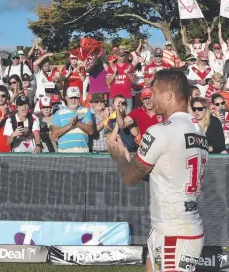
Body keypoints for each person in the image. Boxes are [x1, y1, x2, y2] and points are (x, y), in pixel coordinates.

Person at [107, 68, 208, 272]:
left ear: (169, 95)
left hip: (173, 230)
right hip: (174, 225)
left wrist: (118, 155)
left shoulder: (162, 130)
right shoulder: (197, 129)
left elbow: (129, 178)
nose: (151, 98)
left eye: (155, 92)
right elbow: (164, 172)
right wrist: (130, 158)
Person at [51, 86, 94, 153]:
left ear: (79, 98)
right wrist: (70, 125)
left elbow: (90, 131)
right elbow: (53, 135)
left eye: (76, 97)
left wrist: (77, 123)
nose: (73, 100)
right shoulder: (59, 113)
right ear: (66, 98)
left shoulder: (86, 111)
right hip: (64, 153)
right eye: (71, 98)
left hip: (82, 152)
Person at [106, 48, 136, 113]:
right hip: (113, 96)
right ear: (116, 56)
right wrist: (114, 73)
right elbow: (107, 82)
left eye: (124, 55)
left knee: (128, 117)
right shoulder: (112, 67)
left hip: (127, 96)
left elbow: (134, 81)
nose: (123, 57)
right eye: (121, 56)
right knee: (112, 117)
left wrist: (128, 73)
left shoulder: (130, 66)